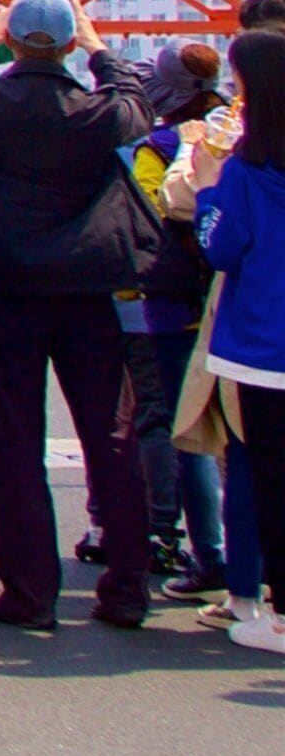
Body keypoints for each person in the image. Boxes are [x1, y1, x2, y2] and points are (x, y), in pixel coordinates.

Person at [0, 0, 155, 631]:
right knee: (110, 438)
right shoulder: (96, 110)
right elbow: (137, 104)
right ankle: (126, 589)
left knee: (15, 441)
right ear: (68, 43)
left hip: (7, 288)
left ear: (14, 42)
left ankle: (30, 593)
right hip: (87, 291)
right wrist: (98, 50)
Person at [173, 30, 285, 652]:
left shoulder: (246, 168)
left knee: (269, 476)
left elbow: (222, 247)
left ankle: (277, 612)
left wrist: (210, 186)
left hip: (262, 347)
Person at [126, 46, 228, 597]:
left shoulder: (158, 148)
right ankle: (253, 560)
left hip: (169, 306)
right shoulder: (235, 136)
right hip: (228, 299)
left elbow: (145, 222)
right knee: (244, 438)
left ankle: (206, 554)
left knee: (181, 430)